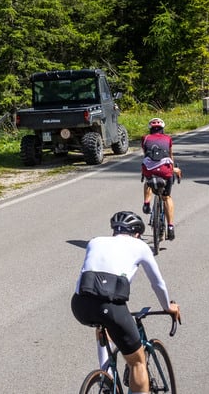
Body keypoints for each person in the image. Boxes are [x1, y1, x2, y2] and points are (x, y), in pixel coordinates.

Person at [71, 211, 182, 394]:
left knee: (103, 323)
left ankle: (107, 379)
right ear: (137, 233)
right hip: (110, 307)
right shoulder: (140, 246)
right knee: (137, 362)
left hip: (79, 305)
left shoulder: (95, 242)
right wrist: (168, 307)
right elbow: (157, 283)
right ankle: (110, 380)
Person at [139, 118, 181, 240]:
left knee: (148, 181)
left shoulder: (145, 138)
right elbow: (170, 156)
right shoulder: (168, 138)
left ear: (150, 129)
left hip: (149, 169)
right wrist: (174, 169)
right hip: (165, 170)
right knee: (166, 197)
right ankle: (171, 227)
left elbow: (146, 154)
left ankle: (146, 203)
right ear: (162, 129)